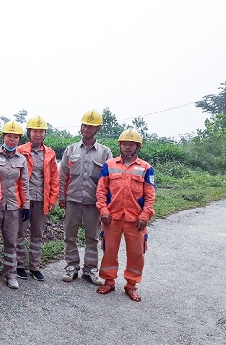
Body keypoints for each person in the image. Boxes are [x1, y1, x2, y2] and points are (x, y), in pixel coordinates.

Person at [96, 129, 156, 302]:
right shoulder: (109, 164)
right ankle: (109, 281)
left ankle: (131, 285)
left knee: (137, 253)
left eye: (131, 144)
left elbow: (150, 194)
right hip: (112, 217)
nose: (128, 147)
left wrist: (145, 215)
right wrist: (103, 210)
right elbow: (101, 189)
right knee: (109, 250)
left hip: (136, 219)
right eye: (125, 144)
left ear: (137, 147)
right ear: (120, 145)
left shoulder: (146, 168)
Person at [58, 109, 113, 285]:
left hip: (93, 203)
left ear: (97, 129)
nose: (86, 129)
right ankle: (72, 266)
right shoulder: (71, 149)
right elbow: (63, 174)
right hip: (72, 199)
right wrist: (61, 196)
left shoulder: (105, 153)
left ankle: (90, 270)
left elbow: (109, 180)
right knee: (69, 235)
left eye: (90, 126)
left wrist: (105, 204)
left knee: (92, 237)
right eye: (84, 125)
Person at [16, 115, 59, 281]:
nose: (38, 134)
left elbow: (54, 178)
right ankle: (19, 266)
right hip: (23, 200)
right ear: (29, 132)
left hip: (42, 199)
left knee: (37, 235)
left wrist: (53, 199)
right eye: (35, 131)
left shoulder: (49, 153)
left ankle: (34, 266)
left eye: (41, 132)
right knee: (20, 233)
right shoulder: (21, 151)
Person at [0, 121, 30, 289]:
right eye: (9, 136)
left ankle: (10, 274)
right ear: (3, 137)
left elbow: (24, 184)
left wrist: (26, 205)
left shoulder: (22, 159)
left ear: (19, 139)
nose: (12, 140)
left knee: (11, 242)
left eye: (16, 137)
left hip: (13, 206)